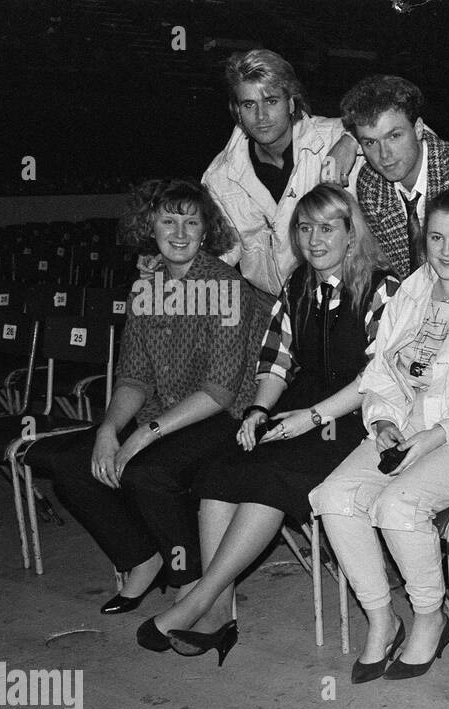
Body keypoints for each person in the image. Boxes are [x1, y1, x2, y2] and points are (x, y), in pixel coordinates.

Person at [138, 184, 399, 664]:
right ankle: (220, 611)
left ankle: (199, 598)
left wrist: (313, 417)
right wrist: (258, 411)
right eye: (304, 229)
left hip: (358, 413)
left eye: (327, 228)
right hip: (301, 402)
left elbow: (377, 376)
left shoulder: (383, 288)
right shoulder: (297, 285)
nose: (315, 240)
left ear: (350, 233)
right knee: (221, 472)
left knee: (270, 478)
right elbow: (276, 362)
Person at [25, 179, 265, 622]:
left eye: (191, 222)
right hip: (167, 412)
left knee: (150, 472)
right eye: (168, 221)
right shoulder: (147, 287)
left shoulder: (227, 286)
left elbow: (219, 392)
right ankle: (141, 558)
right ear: (149, 225)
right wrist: (109, 430)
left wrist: (142, 436)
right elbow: (134, 376)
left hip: (223, 417)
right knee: (71, 466)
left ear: (206, 231)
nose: (179, 233)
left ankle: (187, 575)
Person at [311, 188, 449, 685]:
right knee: (333, 496)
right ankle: (382, 617)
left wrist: (433, 437)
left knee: (397, 505)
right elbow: (380, 367)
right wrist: (381, 421)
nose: (446, 251)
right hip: (401, 426)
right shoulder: (412, 288)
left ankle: (430, 615)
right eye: (437, 238)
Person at [203, 49, 358, 301]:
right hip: (271, 305)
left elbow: (416, 137)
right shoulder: (219, 176)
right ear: (237, 111)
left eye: (271, 101)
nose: (261, 116)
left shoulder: (334, 137)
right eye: (249, 104)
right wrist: (168, 261)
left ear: (291, 102)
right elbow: (220, 250)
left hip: (349, 297)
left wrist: (353, 140)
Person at [341, 75, 449, 280]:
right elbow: (403, 275)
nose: (384, 155)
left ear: (419, 128)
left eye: (394, 136)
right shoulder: (371, 185)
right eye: (370, 143)